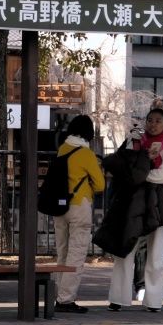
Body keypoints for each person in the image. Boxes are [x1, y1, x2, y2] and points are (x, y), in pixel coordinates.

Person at [107, 101, 163, 313]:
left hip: (157, 202)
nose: (153, 124)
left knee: (156, 254)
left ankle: (154, 300)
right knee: (125, 249)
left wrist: (137, 176)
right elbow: (122, 164)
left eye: (158, 121)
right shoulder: (134, 140)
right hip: (133, 200)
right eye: (150, 120)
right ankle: (118, 298)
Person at [52, 115, 104, 314]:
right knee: (76, 254)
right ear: (88, 133)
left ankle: (59, 295)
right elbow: (100, 185)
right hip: (79, 207)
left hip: (59, 208)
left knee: (62, 252)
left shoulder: (62, 150)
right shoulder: (86, 154)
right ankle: (66, 300)